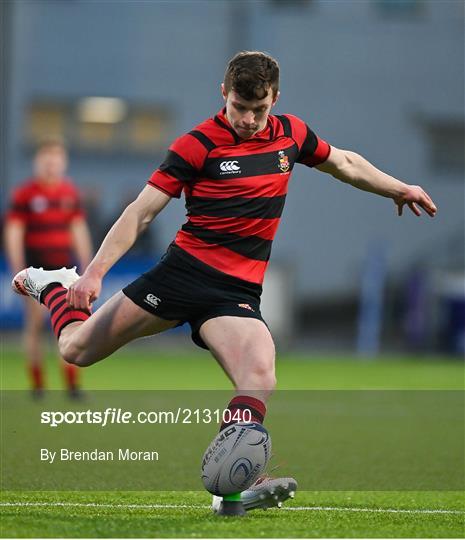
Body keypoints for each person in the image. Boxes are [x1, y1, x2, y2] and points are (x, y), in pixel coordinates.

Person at [11, 52, 437, 510]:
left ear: (275, 99)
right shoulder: (197, 144)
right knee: (76, 350)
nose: (250, 119)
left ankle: (234, 485)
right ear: (223, 94)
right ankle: (54, 286)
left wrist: (399, 187)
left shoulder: (291, 134)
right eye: (240, 107)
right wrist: (93, 273)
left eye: (260, 109)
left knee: (259, 375)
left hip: (235, 293)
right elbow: (142, 211)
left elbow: (346, 163)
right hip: (182, 275)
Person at [5, 140, 93, 398]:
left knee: (69, 324)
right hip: (35, 271)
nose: (52, 165)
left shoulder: (68, 193)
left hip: (64, 271)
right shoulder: (25, 194)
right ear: (38, 162)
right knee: (35, 324)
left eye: (56, 160)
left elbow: (78, 231)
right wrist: (19, 271)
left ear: (63, 163)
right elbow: (13, 234)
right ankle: (38, 385)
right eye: (47, 160)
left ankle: (72, 385)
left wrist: (88, 268)